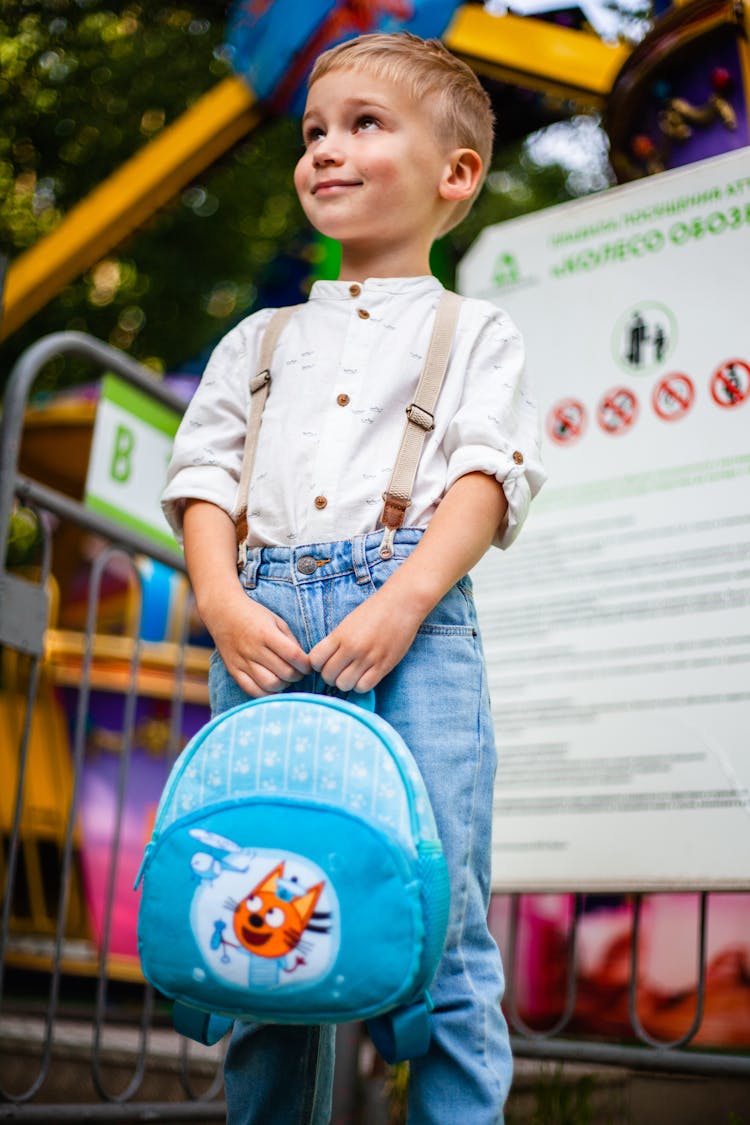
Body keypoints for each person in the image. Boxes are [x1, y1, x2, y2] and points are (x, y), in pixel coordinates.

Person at [162, 30, 545, 1125]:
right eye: (314, 131)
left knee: (442, 908)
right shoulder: (259, 339)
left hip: (413, 626)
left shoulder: (479, 333)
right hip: (265, 622)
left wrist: (403, 601)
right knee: (265, 893)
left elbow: (485, 476)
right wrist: (223, 602)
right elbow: (204, 485)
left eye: (364, 125)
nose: (326, 149)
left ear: (455, 174)